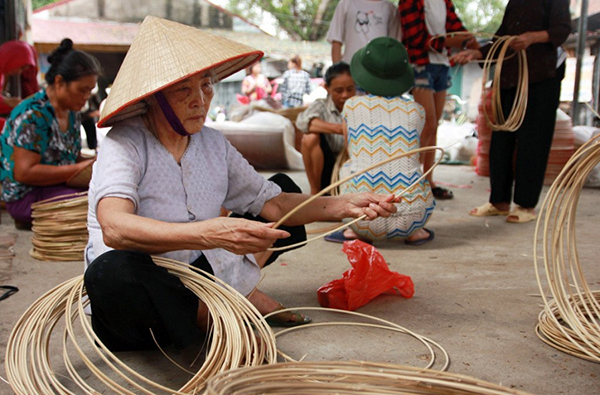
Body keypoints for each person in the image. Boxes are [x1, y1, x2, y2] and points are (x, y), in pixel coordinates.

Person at [83, 16, 399, 352]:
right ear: (154, 96)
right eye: (183, 89)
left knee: (280, 190)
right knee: (110, 273)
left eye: (206, 84)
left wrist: (344, 204)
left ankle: (221, 302)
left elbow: (274, 204)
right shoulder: (125, 143)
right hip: (147, 290)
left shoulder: (212, 143)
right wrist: (209, 232)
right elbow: (114, 228)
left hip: (196, 273)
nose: (200, 100)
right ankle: (221, 311)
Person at [451, 0, 571, 223]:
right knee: (501, 138)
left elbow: (562, 30)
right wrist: (477, 54)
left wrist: (532, 37)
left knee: (533, 141)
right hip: (509, 77)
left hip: (541, 76)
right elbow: (500, 40)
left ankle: (526, 205)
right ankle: (499, 201)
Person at [337, 37, 435, 245]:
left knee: (348, 167)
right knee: (413, 172)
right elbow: (418, 151)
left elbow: (349, 148)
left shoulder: (352, 106)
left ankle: (356, 232)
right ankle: (414, 233)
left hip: (362, 217)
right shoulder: (417, 110)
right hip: (414, 217)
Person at [0, 38, 100, 229]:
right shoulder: (33, 114)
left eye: (89, 91)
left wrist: (99, 163)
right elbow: (24, 172)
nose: (86, 97)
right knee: (101, 203)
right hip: (26, 197)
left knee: (114, 194)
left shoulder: (72, 113)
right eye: (82, 90)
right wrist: (85, 167)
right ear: (60, 82)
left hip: (56, 188)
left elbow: (71, 158)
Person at [399, 0, 479, 200]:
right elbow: (416, 38)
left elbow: (458, 29)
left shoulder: (444, 2)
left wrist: (468, 40)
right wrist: (454, 41)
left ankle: (428, 181)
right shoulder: (410, 1)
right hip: (420, 64)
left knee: (434, 126)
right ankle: (411, 181)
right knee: (427, 123)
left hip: (442, 65)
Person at [296, 62, 356, 195]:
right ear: (327, 88)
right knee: (310, 137)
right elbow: (302, 122)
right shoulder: (321, 105)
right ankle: (316, 193)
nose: (345, 95)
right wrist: (340, 129)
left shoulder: (362, 106)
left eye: (350, 89)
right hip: (327, 168)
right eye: (338, 91)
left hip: (355, 168)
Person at [326, 0, 401, 64]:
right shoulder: (346, 4)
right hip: (351, 69)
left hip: (379, 71)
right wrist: (337, 73)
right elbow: (336, 41)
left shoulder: (391, 9)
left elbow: (393, 46)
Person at [0, 40, 38, 128]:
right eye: (21, 67)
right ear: (12, 59)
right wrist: (7, 101)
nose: (19, 72)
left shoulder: (2, 75)